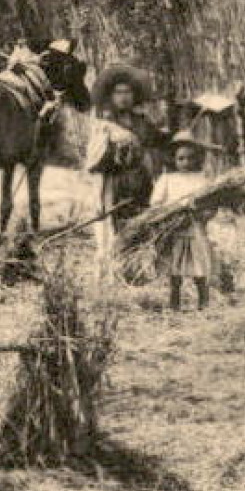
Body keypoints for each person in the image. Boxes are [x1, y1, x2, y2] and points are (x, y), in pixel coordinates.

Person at [85, 64, 166, 265]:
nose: (123, 97)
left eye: (128, 92)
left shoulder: (142, 120)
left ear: (135, 95)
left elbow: (155, 141)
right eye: (118, 92)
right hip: (116, 180)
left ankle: (139, 263)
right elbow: (96, 155)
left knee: (141, 219)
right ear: (110, 96)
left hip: (140, 179)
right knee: (116, 222)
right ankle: (117, 264)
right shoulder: (103, 124)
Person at [149, 130, 214, 311]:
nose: (185, 162)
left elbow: (211, 206)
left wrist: (202, 214)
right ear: (173, 158)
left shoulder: (202, 180)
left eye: (190, 158)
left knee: (199, 266)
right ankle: (174, 303)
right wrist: (169, 211)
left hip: (195, 228)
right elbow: (155, 203)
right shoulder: (167, 179)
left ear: (197, 158)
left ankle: (204, 303)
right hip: (174, 228)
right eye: (181, 158)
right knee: (174, 268)